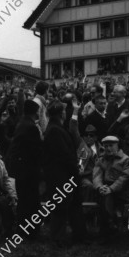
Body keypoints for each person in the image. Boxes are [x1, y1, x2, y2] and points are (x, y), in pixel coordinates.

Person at [44, 100, 87, 247]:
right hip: (61, 176)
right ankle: (57, 239)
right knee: (60, 208)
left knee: (67, 206)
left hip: (61, 175)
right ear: (61, 113)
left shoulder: (54, 128)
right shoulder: (55, 130)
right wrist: (75, 169)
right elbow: (63, 155)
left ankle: (74, 236)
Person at [7, 99, 43, 240]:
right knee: (31, 201)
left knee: (24, 201)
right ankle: (30, 231)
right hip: (28, 170)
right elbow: (36, 150)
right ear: (35, 112)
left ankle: (22, 230)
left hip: (20, 169)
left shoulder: (22, 124)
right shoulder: (31, 127)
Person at [92, 135, 129, 241]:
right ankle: (111, 225)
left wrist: (111, 189)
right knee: (103, 197)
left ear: (117, 146)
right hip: (105, 190)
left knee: (105, 198)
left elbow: (124, 178)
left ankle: (106, 230)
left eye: (111, 145)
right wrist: (100, 187)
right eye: (105, 146)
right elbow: (97, 176)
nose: (108, 148)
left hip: (121, 191)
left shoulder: (126, 160)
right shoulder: (101, 160)